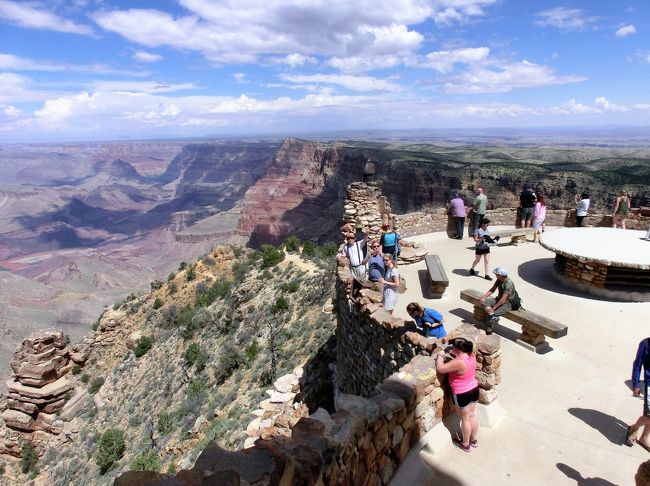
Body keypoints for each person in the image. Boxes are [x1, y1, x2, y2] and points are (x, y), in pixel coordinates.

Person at [435, 337, 479, 452]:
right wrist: (453, 350)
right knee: (472, 415)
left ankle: (465, 444)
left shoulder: (458, 362)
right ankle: (473, 440)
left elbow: (440, 368)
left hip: (462, 393)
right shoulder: (471, 355)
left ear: (458, 349)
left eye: (453, 346)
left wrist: (440, 355)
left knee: (465, 419)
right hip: (474, 389)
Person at [479, 267, 518, 335]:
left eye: (496, 274)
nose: (495, 275)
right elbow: (492, 290)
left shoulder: (508, 284)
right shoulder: (499, 280)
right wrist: (484, 297)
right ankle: (493, 316)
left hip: (507, 304)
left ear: (500, 275)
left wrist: (493, 308)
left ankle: (489, 331)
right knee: (484, 302)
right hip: (498, 299)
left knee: (490, 316)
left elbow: (503, 300)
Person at [626, 338, 650, 449]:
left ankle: (644, 437)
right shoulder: (645, 344)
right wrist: (635, 384)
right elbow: (637, 364)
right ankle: (633, 428)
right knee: (649, 416)